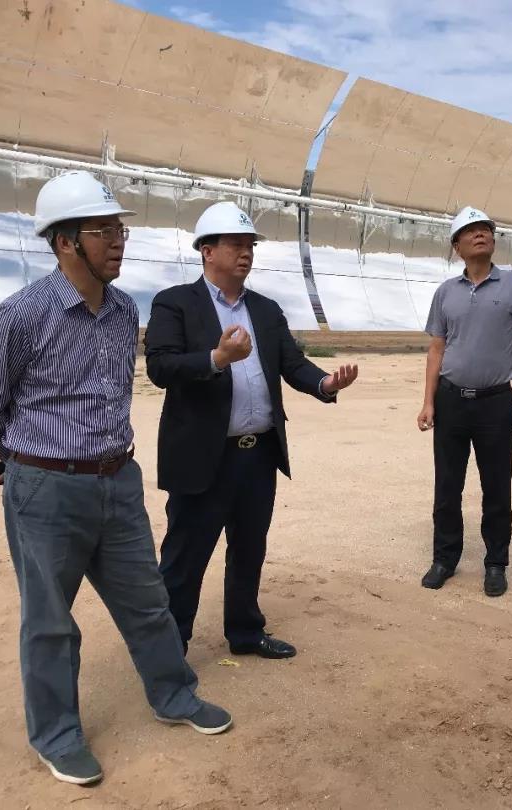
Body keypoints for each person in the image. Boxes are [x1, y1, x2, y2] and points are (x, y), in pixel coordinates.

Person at [0, 171, 232, 787]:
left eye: (120, 230)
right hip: (47, 489)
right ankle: (57, 735)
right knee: (50, 620)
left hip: (119, 480)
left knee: (148, 600)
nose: (118, 241)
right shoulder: (19, 316)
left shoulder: (122, 310)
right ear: (65, 242)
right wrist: (27, 462)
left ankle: (174, 695)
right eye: (103, 231)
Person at [144, 201, 357, 659]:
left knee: (249, 550)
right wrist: (217, 358)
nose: (246, 253)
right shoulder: (175, 303)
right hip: (204, 456)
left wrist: (324, 383)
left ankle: (244, 632)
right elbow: (160, 367)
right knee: (185, 557)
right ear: (207, 250)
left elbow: (291, 364)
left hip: (257, 454)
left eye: (250, 246)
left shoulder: (264, 309)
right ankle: (168, 650)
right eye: (236, 244)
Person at [416, 206, 512, 597]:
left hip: (495, 403)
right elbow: (437, 349)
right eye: (471, 231)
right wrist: (428, 401)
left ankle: (496, 563)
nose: (480, 234)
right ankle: (444, 558)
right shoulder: (445, 292)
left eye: (486, 229)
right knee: (447, 486)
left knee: (497, 486)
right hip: (451, 400)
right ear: (457, 246)